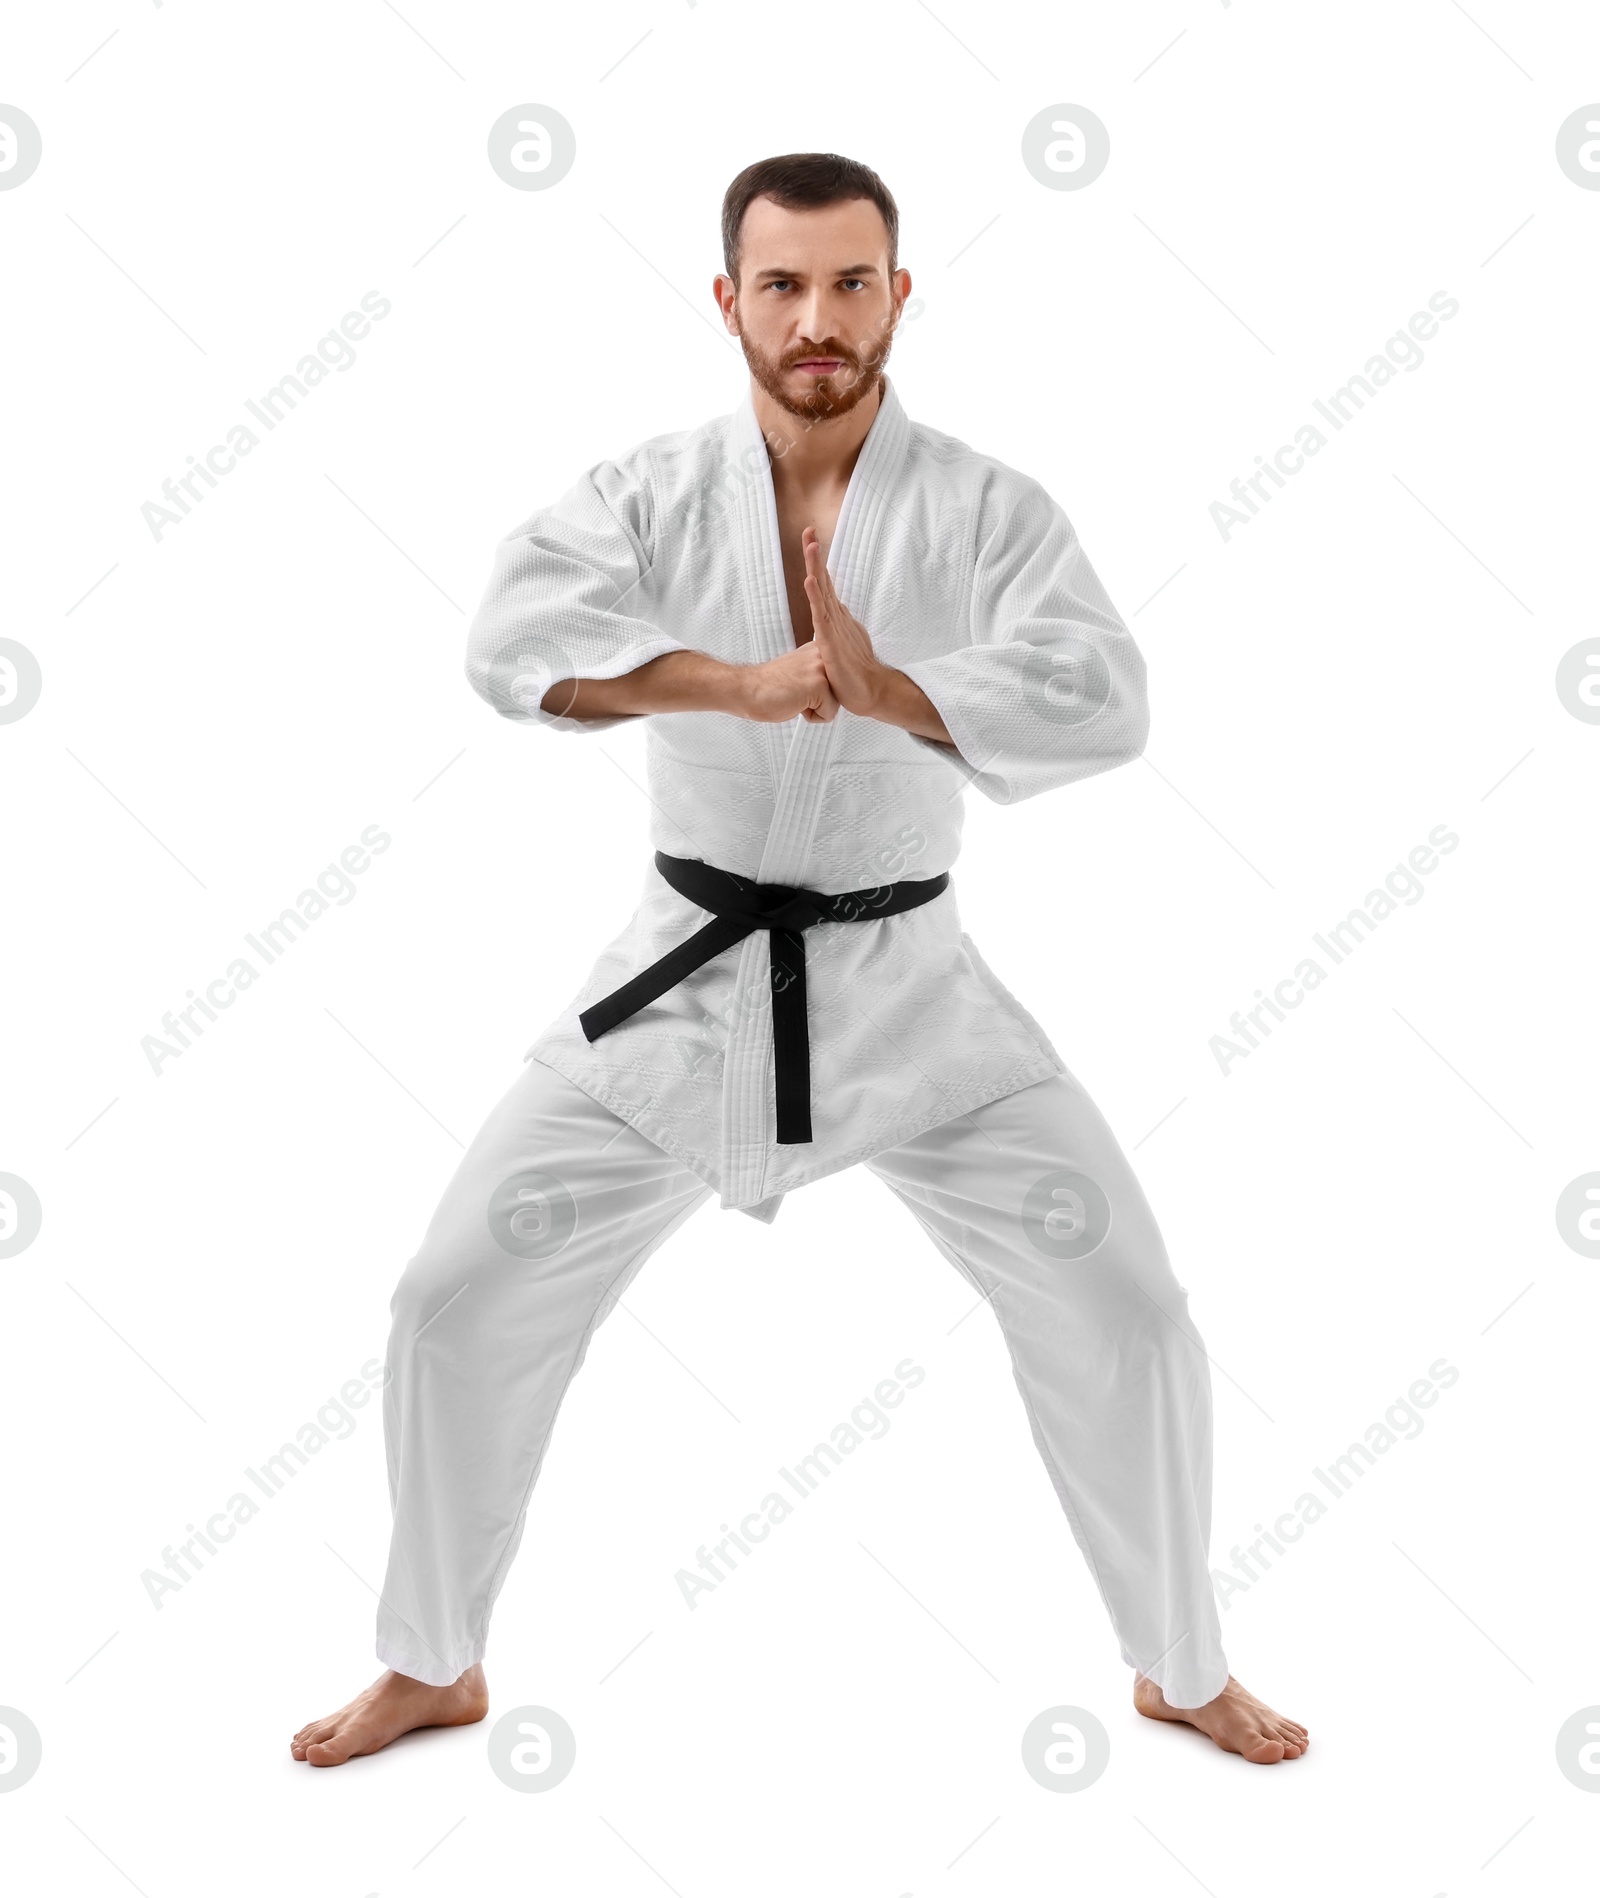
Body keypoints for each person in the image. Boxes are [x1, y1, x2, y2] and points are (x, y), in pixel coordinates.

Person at [292, 152, 1306, 1770]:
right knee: (451, 1299)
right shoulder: (645, 494)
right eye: (784, 284)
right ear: (729, 301)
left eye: (852, 282)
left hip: (917, 1000)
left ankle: (1181, 1661)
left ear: (900, 293)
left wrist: (896, 688)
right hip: (679, 984)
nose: (818, 319)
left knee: (1131, 1312)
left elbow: (1107, 695)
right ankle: (432, 1660)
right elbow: (510, 646)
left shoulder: (986, 509)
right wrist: (729, 685)